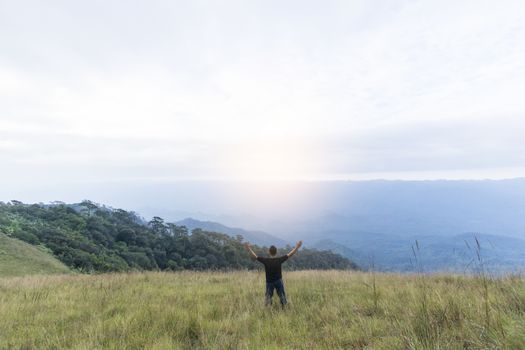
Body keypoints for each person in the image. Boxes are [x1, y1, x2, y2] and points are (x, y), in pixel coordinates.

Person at [244, 241, 303, 308]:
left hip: (269, 282)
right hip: (278, 281)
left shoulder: (266, 261)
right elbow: (290, 254)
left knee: (268, 298)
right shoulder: (279, 260)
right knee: (282, 296)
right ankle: (285, 308)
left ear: (269, 252)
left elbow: (255, 257)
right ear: (276, 252)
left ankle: (268, 309)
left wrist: (249, 249)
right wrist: (297, 247)